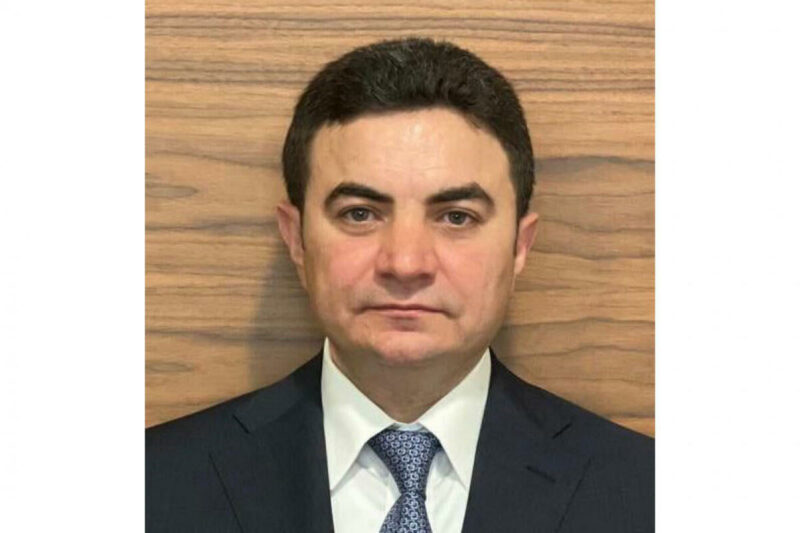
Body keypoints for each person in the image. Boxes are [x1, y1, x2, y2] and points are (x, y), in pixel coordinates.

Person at [146, 37, 654, 532]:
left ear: (520, 246)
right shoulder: (150, 486)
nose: (406, 263)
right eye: (360, 214)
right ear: (296, 238)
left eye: (456, 217)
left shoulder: (649, 493)